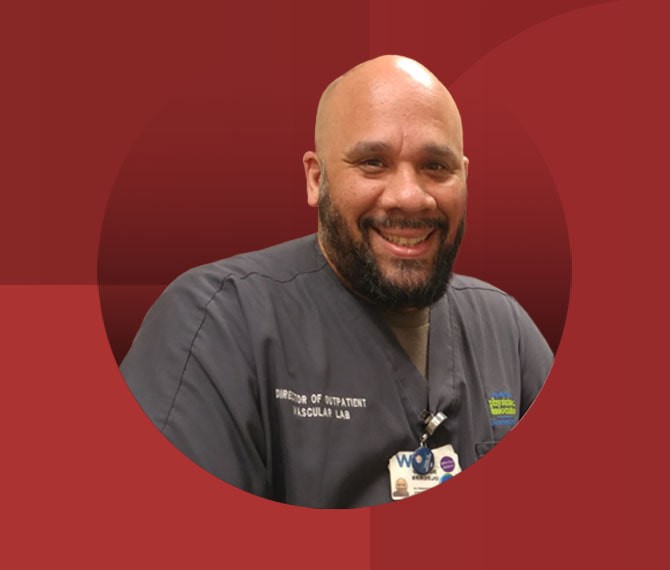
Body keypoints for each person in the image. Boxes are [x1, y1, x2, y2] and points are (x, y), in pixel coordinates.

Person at [120, 55, 553, 508]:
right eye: (373, 163)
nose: (410, 197)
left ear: (465, 177)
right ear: (316, 179)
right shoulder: (215, 323)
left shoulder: (506, 330)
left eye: (436, 167)